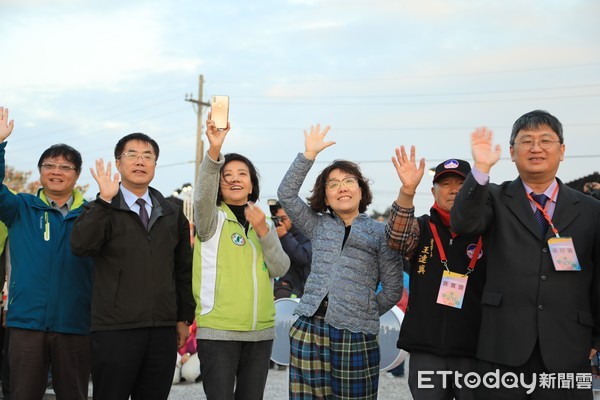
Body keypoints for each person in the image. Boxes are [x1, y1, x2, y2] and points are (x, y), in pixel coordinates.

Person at [451, 110, 600, 399]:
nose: (536, 148)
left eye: (546, 140)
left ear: (562, 150)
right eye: (526, 141)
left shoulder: (591, 209)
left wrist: (596, 337)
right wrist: (480, 169)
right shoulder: (494, 197)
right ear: (512, 152)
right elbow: (463, 224)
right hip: (502, 346)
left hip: (568, 347)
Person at [277, 124, 404, 399]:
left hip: (356, 334)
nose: (341, 188)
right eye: (333, 184)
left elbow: (393, 290)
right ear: (325, 196)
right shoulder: (316, 225)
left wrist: (364, 311)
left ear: (361, 190)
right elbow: (286, 194)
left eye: (348, 181)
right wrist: (308, 155)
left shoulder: (381, 233)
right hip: (309, 327)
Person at [70, 132, 195, 400]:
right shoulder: (100, 207)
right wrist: (104, 201)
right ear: (118, 163)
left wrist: (184, 318)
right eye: (132, 155)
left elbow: (183, 269)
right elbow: (81, 246)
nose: (140, 161)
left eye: (147, 156)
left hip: (161, 329)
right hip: (115, 329)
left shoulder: (172, 213)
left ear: (155, 164)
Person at [193, 115, 290, 400]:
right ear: (220, 185)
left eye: (242, 174)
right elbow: (201, 197)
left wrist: (264, 232)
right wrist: (214, 152)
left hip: (260, 333)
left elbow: (280, 267)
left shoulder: (264, 224)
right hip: (219, 331)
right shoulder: (211, 219)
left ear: (251, 185)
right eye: (227, 175)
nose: (235, 179)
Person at [0, 107, 94, 399]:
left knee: (74, 394)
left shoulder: (92, 214)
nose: (57, 172)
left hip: (75, 324)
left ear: (77, 175)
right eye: (49, 165)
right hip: (27, 322)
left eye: (65, 167)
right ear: (40, 171)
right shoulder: (21, 207)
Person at [385, 146, 486, 398]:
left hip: (476, 349)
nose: (453, 189)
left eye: (461, 183)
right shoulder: (421, 227)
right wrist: (407, 191)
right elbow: (396, 241)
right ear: (433, 191)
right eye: (445, 184)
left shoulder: (489, 228)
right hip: (426, 348)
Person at [268, 199, 312, 299]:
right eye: (277, 219)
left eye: (284, 219)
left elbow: (303, 258)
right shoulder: (274, 234)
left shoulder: (306, 233)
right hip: (278, 287)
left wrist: (284, 236)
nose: (280, 222)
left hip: (299, 291)